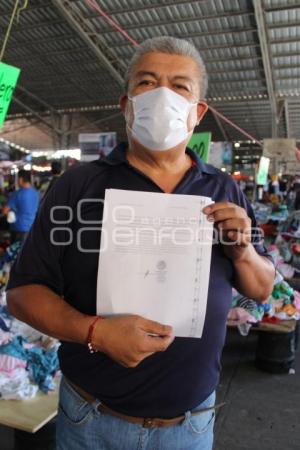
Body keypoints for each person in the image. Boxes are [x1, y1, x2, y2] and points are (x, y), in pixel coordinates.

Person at [6, 36, 274, 450]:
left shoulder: (223, 190)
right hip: (91, 418)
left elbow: (262, 287)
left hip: (191, 425)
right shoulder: (78, 186)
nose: (163, 94)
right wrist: (94, 331)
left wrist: (242, 251)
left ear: (197, 112)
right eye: (147, 82)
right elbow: (23, 293)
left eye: (180, 86)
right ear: (126, 104)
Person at [3, 169, 39, 243]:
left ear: (20, 179)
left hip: (18, 228)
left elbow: (5, 210)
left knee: (16, 252)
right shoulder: (36, 193)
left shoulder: (17, 194)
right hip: (32, 228)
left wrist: (11, 213)